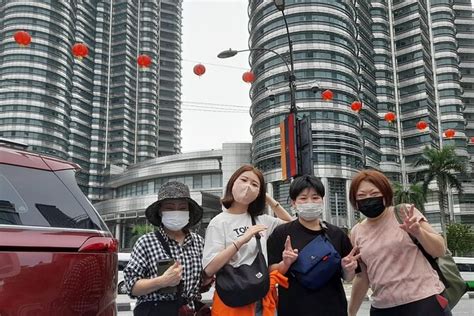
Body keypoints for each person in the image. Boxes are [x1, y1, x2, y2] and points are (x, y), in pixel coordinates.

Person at [347, 169, 449, 316]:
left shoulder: (404, 213)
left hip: (424, 302)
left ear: (385, 194)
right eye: (361, 196)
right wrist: (351, 312)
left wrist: (418, 232)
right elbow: (362, 277)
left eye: (374, 194)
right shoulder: (356, 232)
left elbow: (440, 250)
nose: (368, 199)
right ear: (355, 201)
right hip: (382, 308)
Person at [202, 164, 293, 315]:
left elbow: (290, 224)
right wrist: (241, 241)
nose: (248, 187)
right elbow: (210, 268)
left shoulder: (260, 220)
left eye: (254, 184)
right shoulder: (218, 222)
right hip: (231, 298)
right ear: (232, 183)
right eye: (244, 180)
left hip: (261, 297)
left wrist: (270, 200)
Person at [266, 175, 360, 316]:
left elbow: (348, 278)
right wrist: (285, 263)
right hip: (293, 309)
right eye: (303, 198)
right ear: (293, 203)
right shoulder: (282, 233)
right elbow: (270, 272)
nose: (309, 202)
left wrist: (349, 269)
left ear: (322, 200)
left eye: (315, 197)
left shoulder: (337, 234)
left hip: (333, 309)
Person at [124, 181, 211, 316]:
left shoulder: (199, 243)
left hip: (190, 311)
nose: (176, 212)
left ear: (189, 212)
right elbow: (132, 287)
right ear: (160, 211)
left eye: (182, 208)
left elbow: (200, 286)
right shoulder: (146, 242)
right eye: (170, 208)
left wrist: (207, 280)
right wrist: (161, 281)